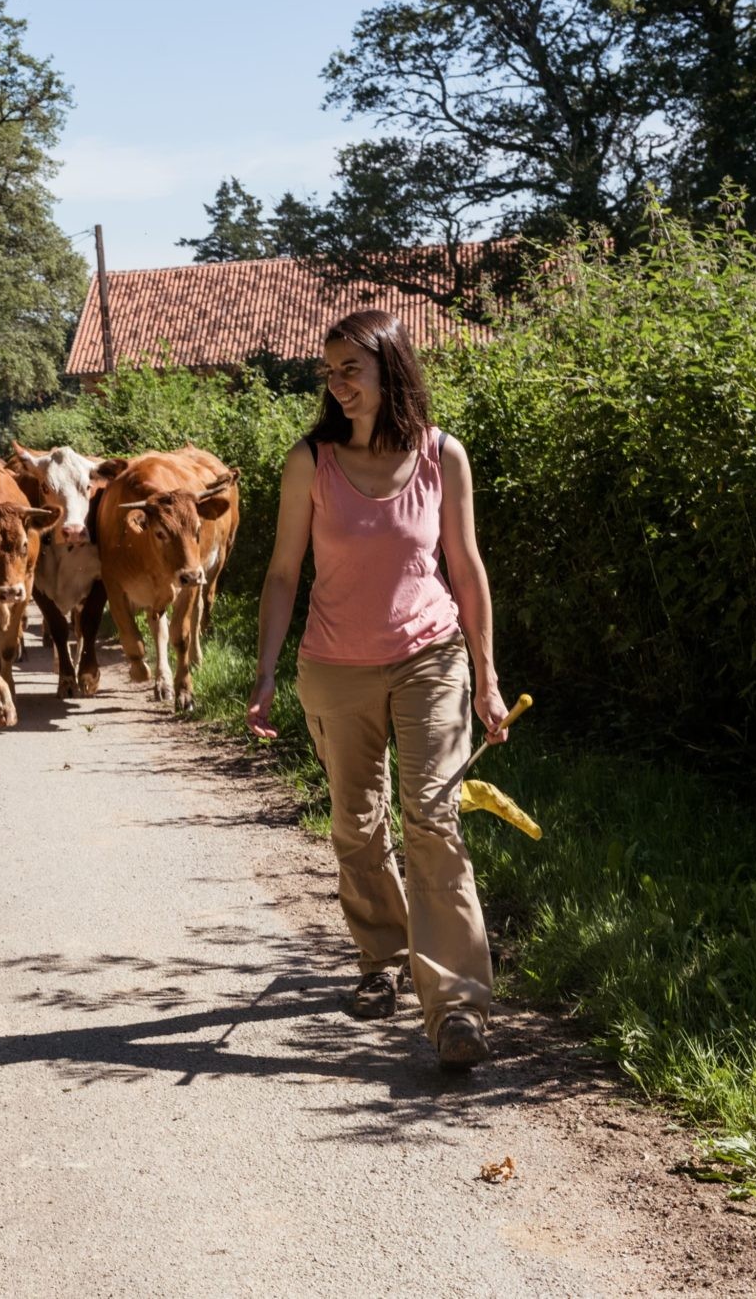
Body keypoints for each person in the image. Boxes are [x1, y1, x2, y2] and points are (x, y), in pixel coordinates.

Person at [245, 308, 508, 1071]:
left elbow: (466, 568)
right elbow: (283, 573)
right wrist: (265, 672)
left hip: (431, 657)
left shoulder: (441, 456)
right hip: (334, 666)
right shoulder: (311, 462)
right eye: (329, 372)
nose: (337, 385)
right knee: (357, 826)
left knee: (431, 818)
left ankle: (458, 1007)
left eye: (349, 370)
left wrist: (486, 678)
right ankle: (382, 958)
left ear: (390, 368)